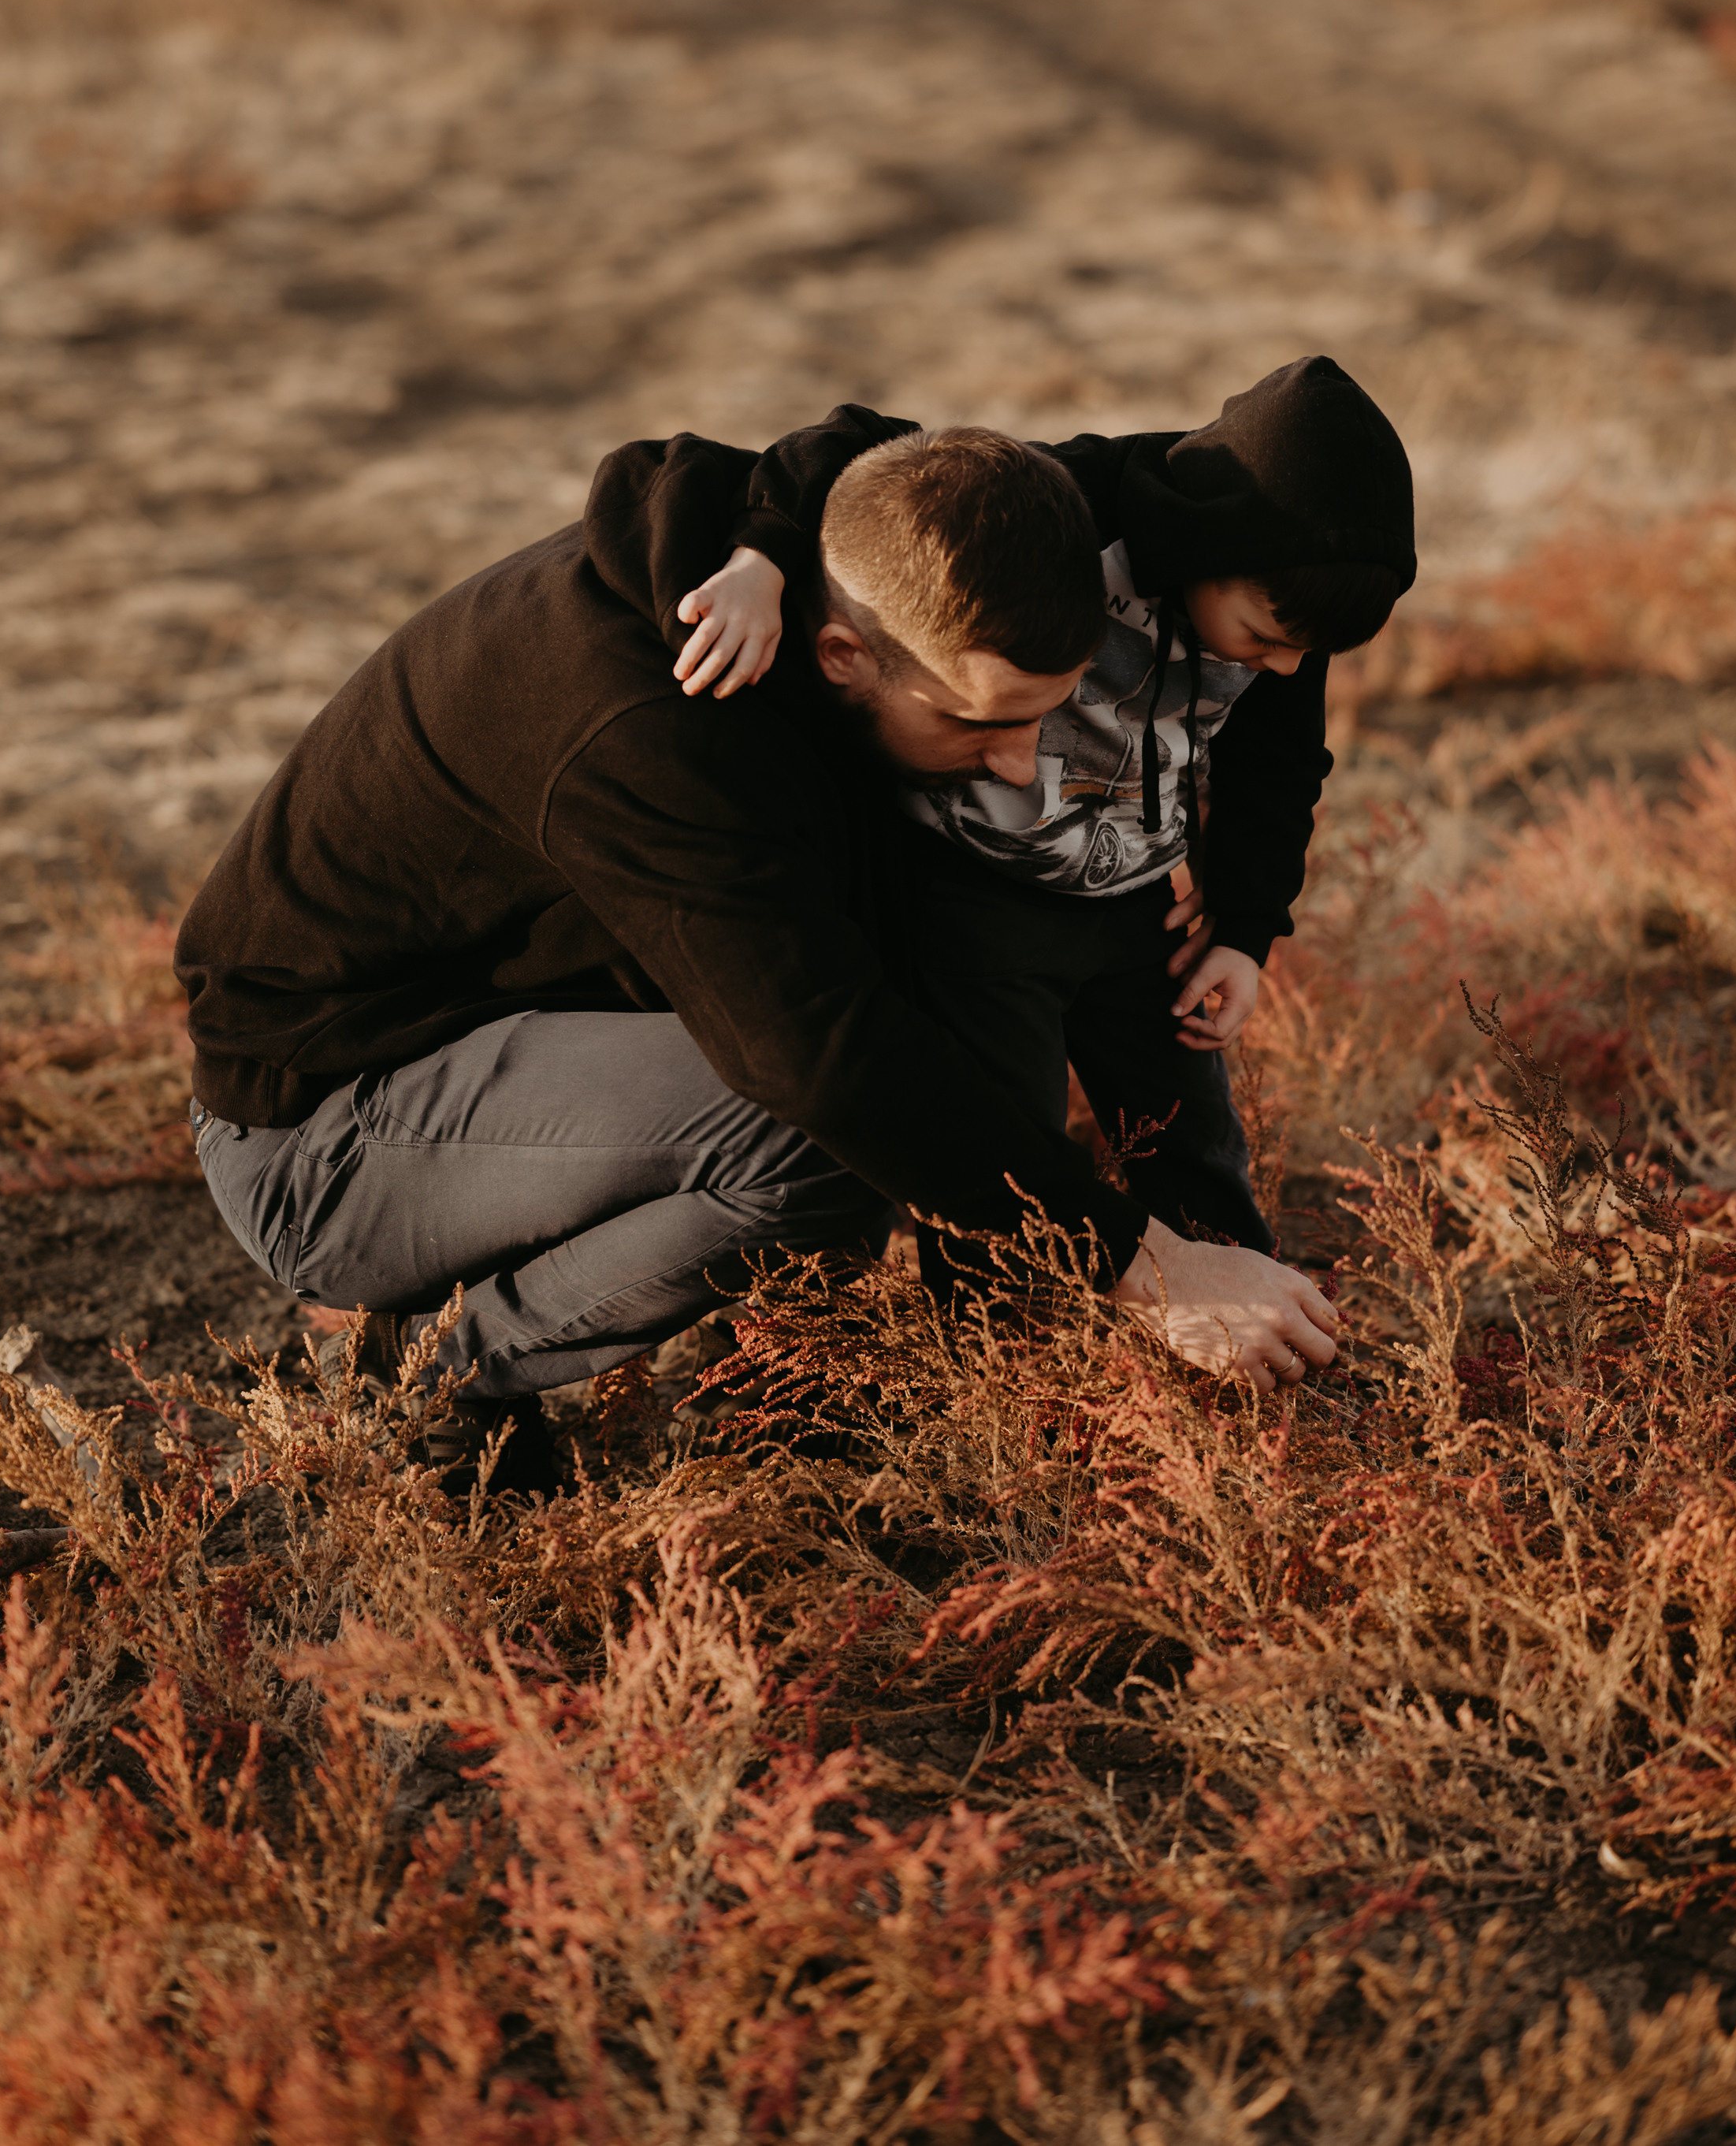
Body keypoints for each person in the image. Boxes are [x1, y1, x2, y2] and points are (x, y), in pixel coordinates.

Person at [175, 422, 1341, 1486]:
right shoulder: (660, 731)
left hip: (511, 1046)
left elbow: (875, 450)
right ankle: (434, 1366)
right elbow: (822, 1061)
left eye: (1043, 717)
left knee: (888, 1078)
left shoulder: (826, 557)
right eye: (982, 724)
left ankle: (779, 1403)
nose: (1016, 768)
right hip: (321, 1135)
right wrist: (1148, 1263)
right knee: (823, 1132)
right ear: (841, 656)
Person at [664, 358, 1416, 1259]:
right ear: (1214, 545)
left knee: (1193, 1140)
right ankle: (1007, 1360)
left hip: (1143, 909)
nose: (1286, 667)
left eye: (1306, 651)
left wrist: (1244, 929)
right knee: (1012, 1146)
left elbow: (1281, 766)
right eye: (1264, 638)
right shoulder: (1071, 503)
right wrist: (762, 561)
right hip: (975, 898)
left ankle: (1236, 1328)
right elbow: (846, 448)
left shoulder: (1296, 605)